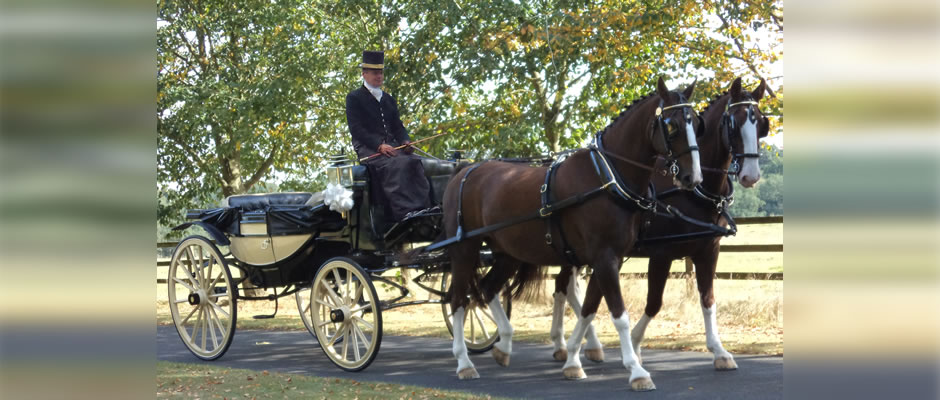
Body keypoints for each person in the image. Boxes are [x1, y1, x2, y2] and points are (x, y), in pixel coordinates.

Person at [346, 50, 430, 222]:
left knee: (415, 161)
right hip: (369, 151)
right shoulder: (354, 98)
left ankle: (423, 209)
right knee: (398, 164)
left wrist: (405, 141)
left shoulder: (389, 100)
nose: (379, 76)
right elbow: (357, 130)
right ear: (364, 74)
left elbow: (398, 127)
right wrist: (379, 145)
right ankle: (404, 213)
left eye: (381, 72)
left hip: (393, 148)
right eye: (375, 73)